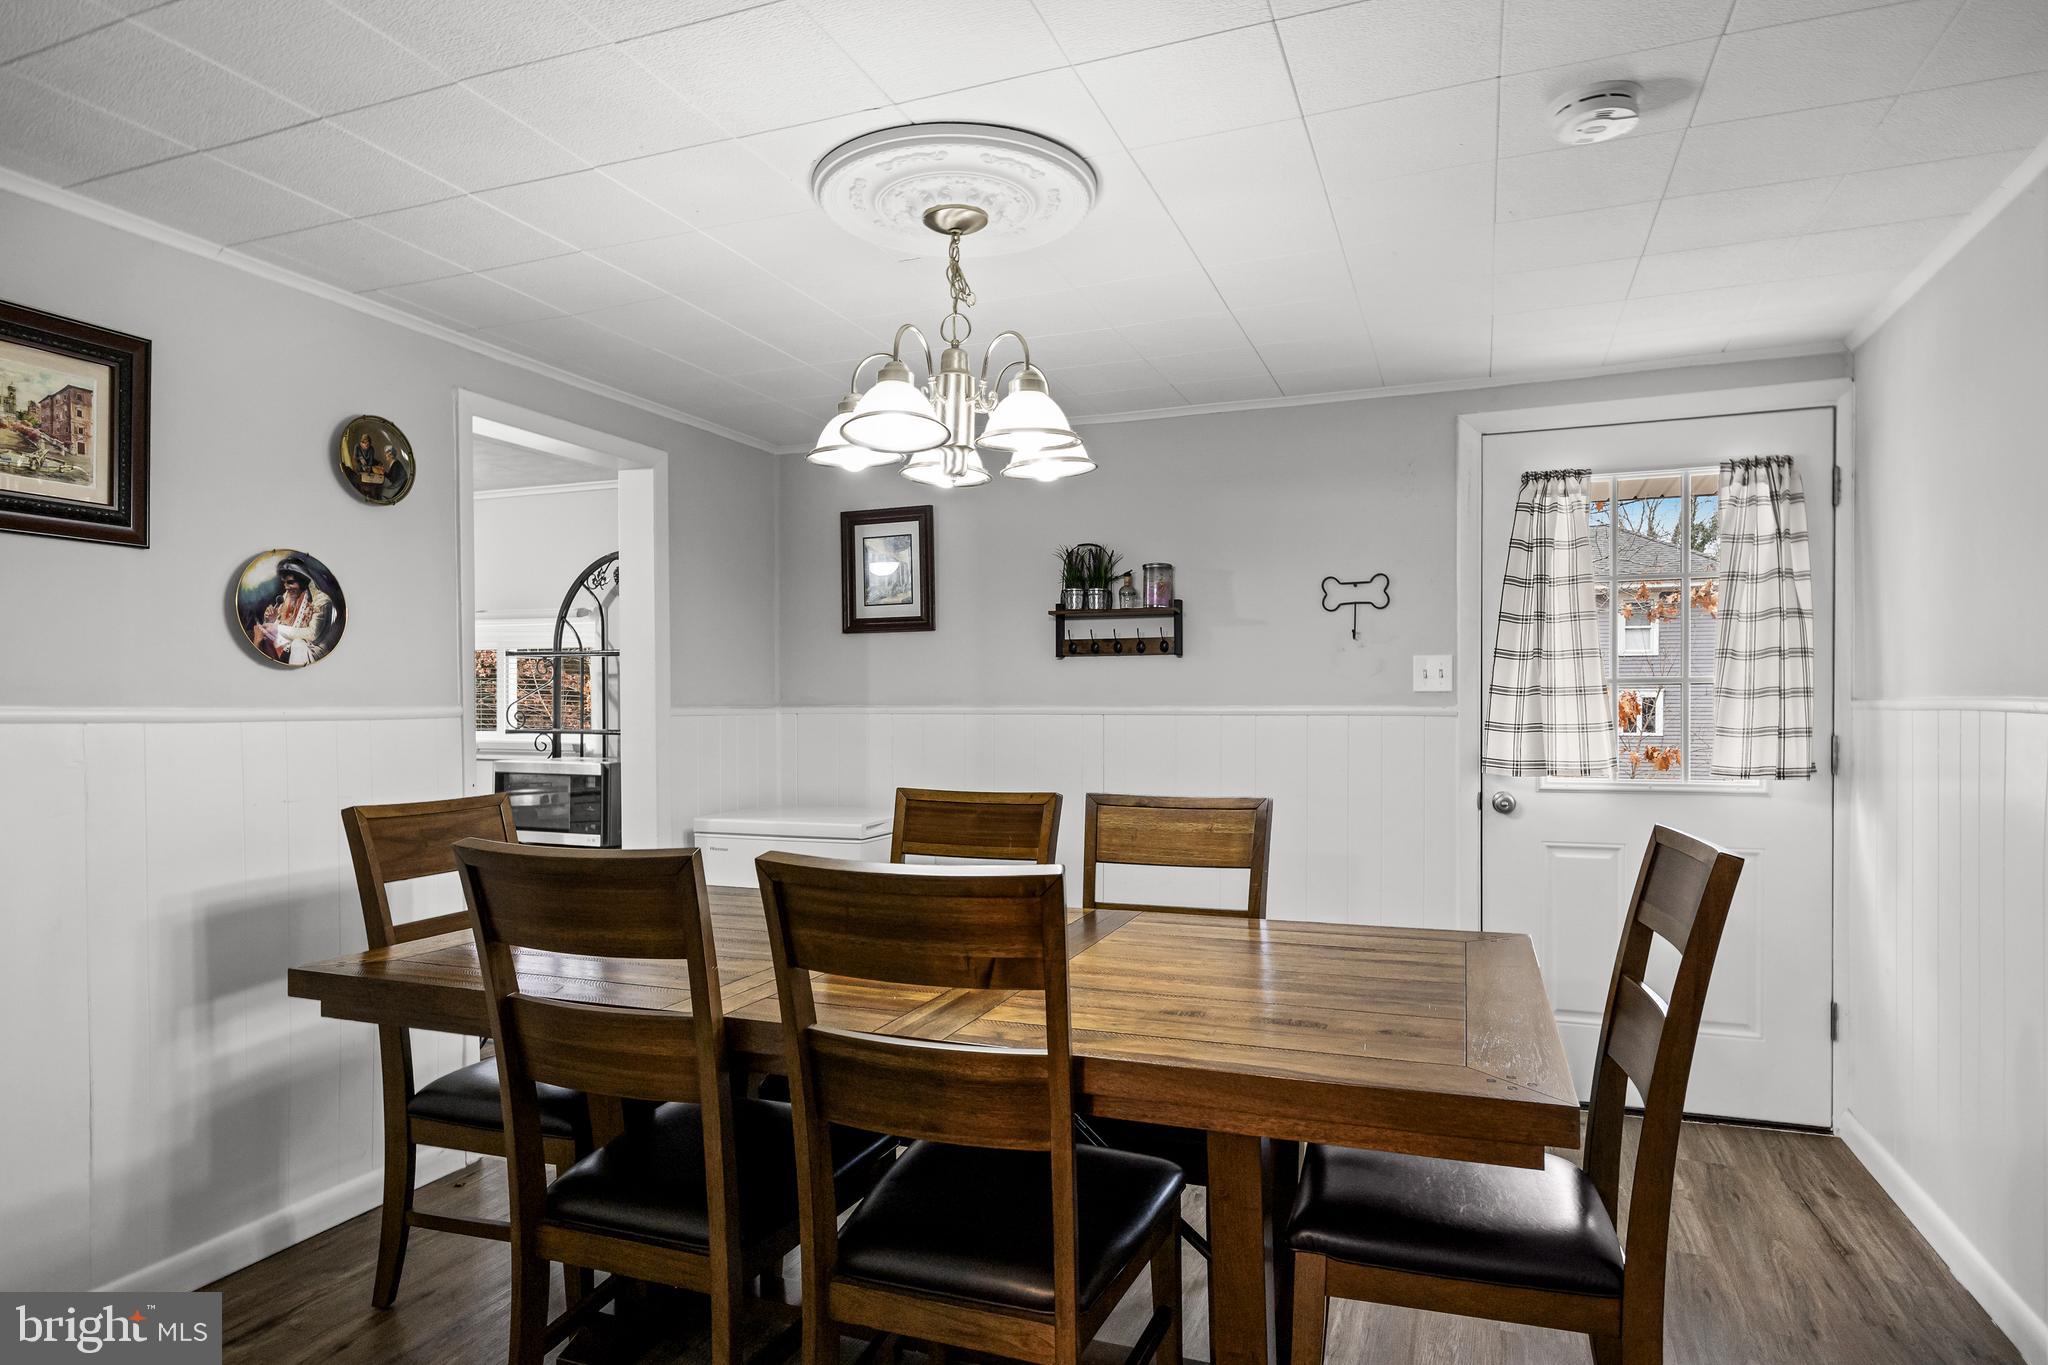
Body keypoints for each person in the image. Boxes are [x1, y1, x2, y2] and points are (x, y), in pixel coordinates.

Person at [251, 557, 335, 665]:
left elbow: (313, 635)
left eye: (290, 582)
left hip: (311, 651)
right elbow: (282, 628)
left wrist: (276, 628)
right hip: (287, 648)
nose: (286, 587)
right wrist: (271, 620)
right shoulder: (287, 597)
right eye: (284, 583)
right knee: (262, 637)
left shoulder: (321, 601)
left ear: (303, 580)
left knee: (298, 644)